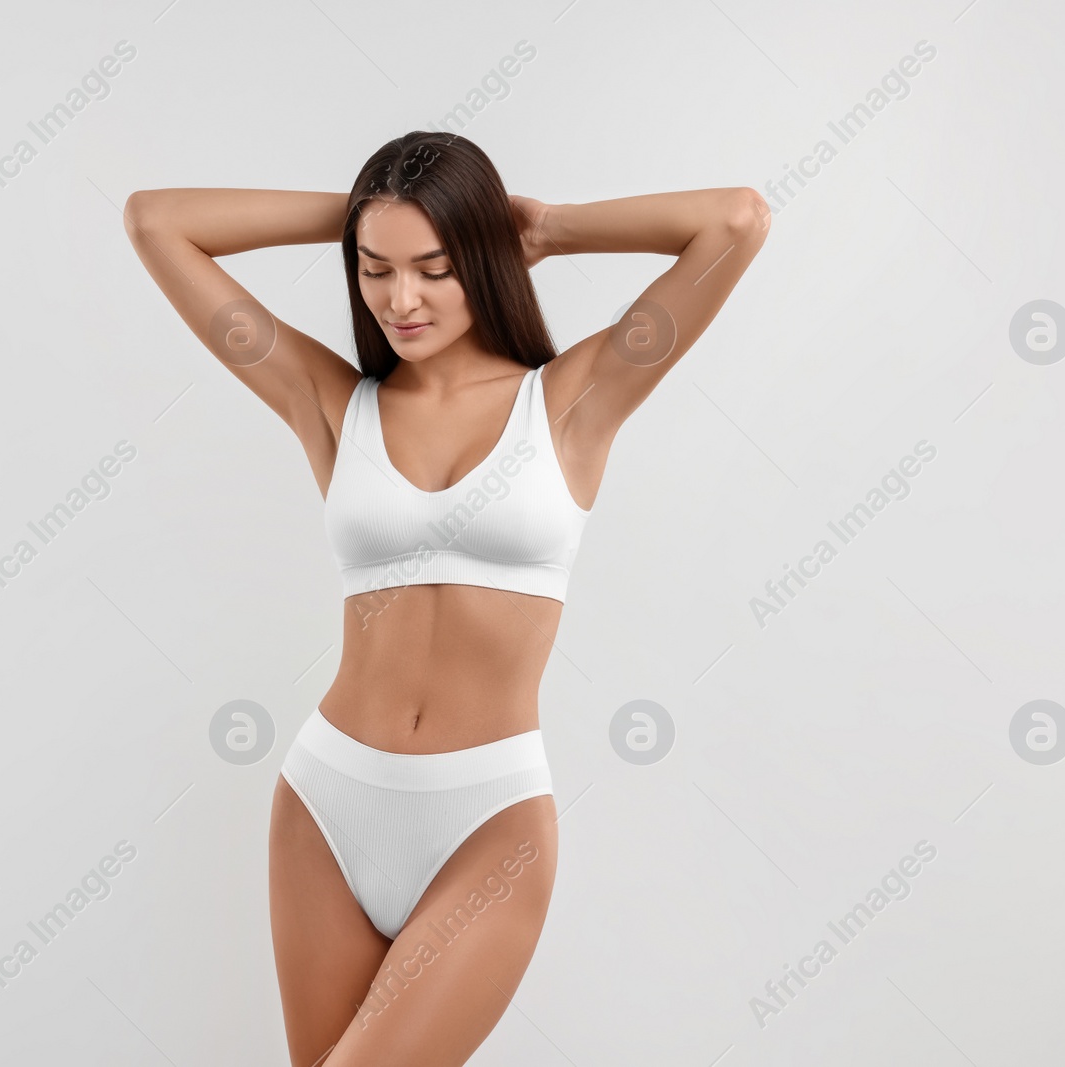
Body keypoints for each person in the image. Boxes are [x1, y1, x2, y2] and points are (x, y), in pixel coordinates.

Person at [123, 130, 769, 1066]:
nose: (400, 298)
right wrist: (352, 212)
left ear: (481, 258)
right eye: (375, 269)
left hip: (488, 820)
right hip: (326, 806)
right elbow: (158, 221)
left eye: (434, 266)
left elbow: (736, 220)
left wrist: (543, 227)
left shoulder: (578, 399)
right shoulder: (330, 403)